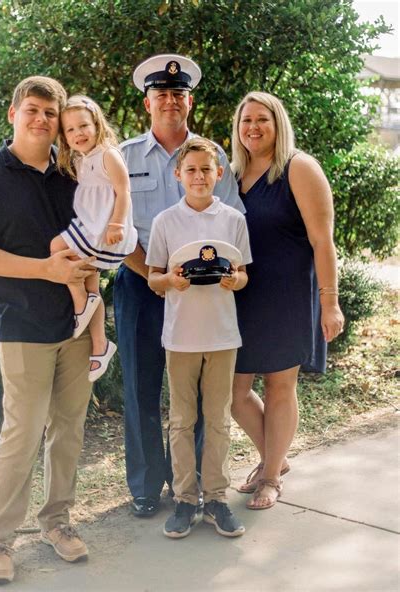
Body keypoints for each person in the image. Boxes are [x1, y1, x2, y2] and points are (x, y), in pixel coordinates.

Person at [0, 76, 95, 584]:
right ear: (13, 113)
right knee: (22, 433)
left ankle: (57, 522)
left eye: (50, 113)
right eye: (32, 110)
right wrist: (45, 269)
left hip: (76, 325)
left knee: (67, 431)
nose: (41, 120)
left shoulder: (72, 174)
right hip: (21, 323)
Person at [115, 54, 244, 517]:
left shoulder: (211, 156)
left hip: (201, 294)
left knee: (199, 396)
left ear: (188, 101)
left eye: (177, 94)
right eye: (160, 94)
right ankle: (147, 486)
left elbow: (233, 224)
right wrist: (151, 272)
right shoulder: (124, 157)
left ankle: (195, 489)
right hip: (139, 285)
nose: (169, 101)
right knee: (142, 386)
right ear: (147, 104)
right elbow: (112, 226)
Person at [230, 91, 345, 510]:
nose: (253, 128)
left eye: (263, 119)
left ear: (278, 124)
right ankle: (274, 458)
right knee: (233, 392)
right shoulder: (232, 173)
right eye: (246, 121)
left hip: (287, 295)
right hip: (240, 297)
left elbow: (322, 241)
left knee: (280, 386)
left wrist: (329, 302)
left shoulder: (299, 168)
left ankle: (271, 475)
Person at [146, 137, 252, 538]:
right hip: (181, 338)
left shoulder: (233, 220)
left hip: (223, 335)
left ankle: (217, 500)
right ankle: (185, 500)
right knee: (182, 421)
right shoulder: (165, 222)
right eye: (190, 170)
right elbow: (154, 276)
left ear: (219, 174)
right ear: (178, 175)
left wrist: (234, 280)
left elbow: (243, 275)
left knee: (219, 420)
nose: (199, 176)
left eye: (206, 170)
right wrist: (170, 280)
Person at [51, 95, 137, 381]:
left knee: (57, 246)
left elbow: (123, 191)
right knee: (92, 287)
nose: (78, 133)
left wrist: (116, 224)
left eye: (83, 126)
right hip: (92, 226)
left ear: (97, 124)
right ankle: (100, 346)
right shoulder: (81, 158)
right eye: (71, 130)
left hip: (102, 229)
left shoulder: (107, 154)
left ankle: (79, 302)